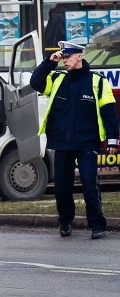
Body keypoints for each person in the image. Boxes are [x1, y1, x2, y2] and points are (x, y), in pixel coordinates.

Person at [30, 41, 119, 240]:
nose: (65, 61)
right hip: (62, 142)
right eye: (63, 57)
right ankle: (65, 222)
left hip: (87, 142)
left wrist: (112, 140)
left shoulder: (97, 81)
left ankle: (97, 225)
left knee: (89, 184)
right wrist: (49, 62)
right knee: (61, 188)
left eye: (68, 57)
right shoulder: (56, 78)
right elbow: (35, 82)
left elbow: (109, 113)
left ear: (79, 56)